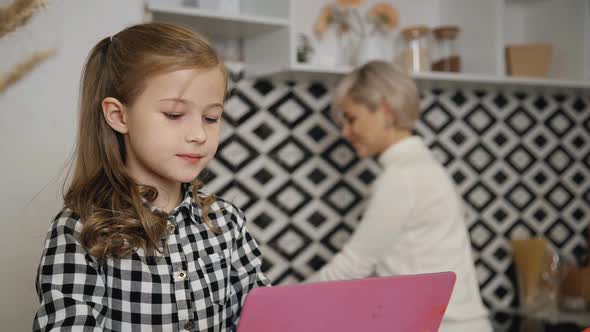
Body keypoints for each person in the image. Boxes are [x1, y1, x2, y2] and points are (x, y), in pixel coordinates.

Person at [33, 22, 269, 332]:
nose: (199, 134)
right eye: (174, 114)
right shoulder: (80, 229)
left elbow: (265, 318)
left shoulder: (227, 223)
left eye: (211, 118)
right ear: (119, 116)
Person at [308, 60, 492, 332]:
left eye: (351, 118)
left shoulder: (402, 176)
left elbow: (352, 267)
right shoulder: (421, 164)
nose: (344, 131)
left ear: (385, 111)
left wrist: (272, 306)